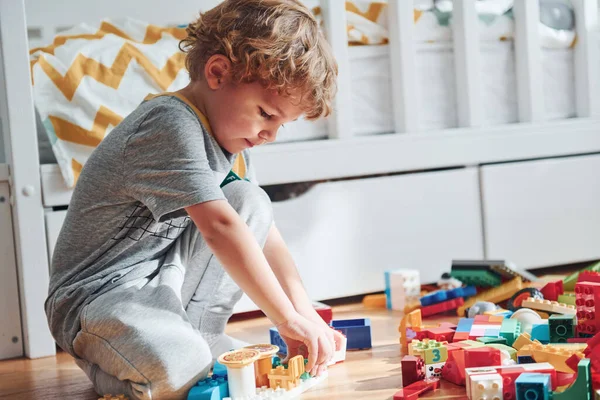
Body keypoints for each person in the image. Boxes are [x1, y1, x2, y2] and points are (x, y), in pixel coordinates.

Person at [44, 1, 342, 398]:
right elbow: (219, 228)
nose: (270, 134)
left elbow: (260, 232)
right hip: (99, 298)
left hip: (162, 278)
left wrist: (303, 310)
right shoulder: (168, 123)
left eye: (280, 124)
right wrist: (284, 318)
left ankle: (199, 334)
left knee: (248, 199)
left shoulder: (232, 142)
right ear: (217, 72)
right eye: (266, 114)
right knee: (182, 374)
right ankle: (133, 369)